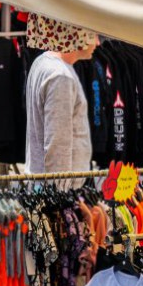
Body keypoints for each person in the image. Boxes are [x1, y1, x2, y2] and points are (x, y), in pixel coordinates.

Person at [25, 17, 100, 175]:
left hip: (45, 180)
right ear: (77, 33)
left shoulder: (43, 62)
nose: (98, 43)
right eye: (93, 35)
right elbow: (57, 143)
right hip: (58, 187)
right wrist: (60, 194)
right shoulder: (60, 76)